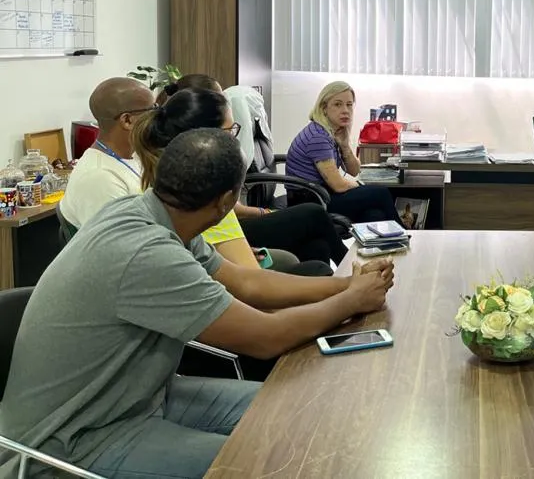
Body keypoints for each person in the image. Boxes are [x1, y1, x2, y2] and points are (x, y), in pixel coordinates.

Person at [0, 129, 394, 479]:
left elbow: (247, 282)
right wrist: (349, 302)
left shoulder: (155, 215)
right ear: (226, 201)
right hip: (76, 437)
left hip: (143, 397)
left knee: (299, 410)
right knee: (273, 459)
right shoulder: (147, 251)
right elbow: (264, 337)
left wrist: (344, 286)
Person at [133, 88, 332, 278]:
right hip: (234, 297)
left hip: (226, 280)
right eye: (230, 130)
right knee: (317, 261)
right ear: (206, 137)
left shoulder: (164, 178)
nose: (235, 139)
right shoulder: (206, 196)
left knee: (316, 248)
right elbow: (251, 284)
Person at [286, 81, 400, 223]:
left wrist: (345, 146)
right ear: (324, 108)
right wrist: (360, 186)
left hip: (323, 194)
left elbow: (354, 170)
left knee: (374, 215)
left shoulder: (332, 132)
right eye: (338, 104)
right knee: (381, 193)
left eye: (349, 104)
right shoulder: (318, 136)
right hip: (311, 201)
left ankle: (390, 242)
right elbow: (338, 185)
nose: (345, 110)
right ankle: (405, 235)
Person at [60, 77, 155, 228]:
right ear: (127, 120)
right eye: (152, 110)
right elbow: (124, 244)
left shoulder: (134, 155)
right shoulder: (99, 178)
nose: (156, 118)